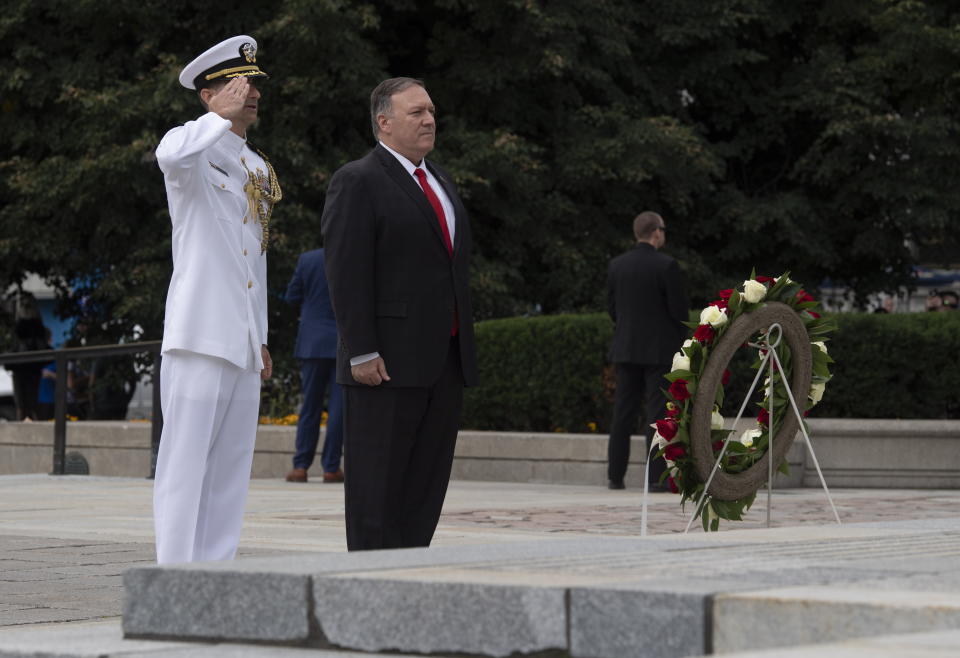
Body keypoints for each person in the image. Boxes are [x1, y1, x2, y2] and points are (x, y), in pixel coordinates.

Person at [321, 77, 478, 551]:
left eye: (431, 110)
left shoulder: (441, 179)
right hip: (383, 365)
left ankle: (411, 575)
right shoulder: (358, 180)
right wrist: (361, 349)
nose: (430, 119)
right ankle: (370, 585)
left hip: (444, 361)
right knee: (377, 490)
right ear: (384, 122)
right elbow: (346, 272)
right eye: (417, 112)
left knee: (425, 486)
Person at [152, 35, 280, 564]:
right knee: (184, 467)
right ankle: (174, 579)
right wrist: (217, 120)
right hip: (199, 336)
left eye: (252, 84)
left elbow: (255, 260)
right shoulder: (193, 154)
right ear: (208, 95)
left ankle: (215, 576)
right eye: (235, 84)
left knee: (230, 472)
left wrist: (263, 337)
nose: (249, 92)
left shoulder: (256, 166)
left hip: (242, 342)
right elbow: (170, 153)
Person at [606, 211, 688, 491]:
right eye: (663, 229)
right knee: (656, 414)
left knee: (622, 413)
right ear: (656, 232)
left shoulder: (617, 266)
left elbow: (612, 310)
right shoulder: (666, 266)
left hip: (626, 348)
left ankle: (615, 476)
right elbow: (679, 312)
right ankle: (655, 478)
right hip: (658, 351)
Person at [285, 248, 345, 484]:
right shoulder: (351, 257)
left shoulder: (307, 259)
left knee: (310, 405)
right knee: (339, 409)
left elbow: (292, 296)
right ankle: (331, 467)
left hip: (312, 341)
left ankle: (300, 466)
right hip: (343, 341)